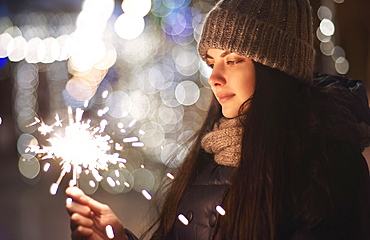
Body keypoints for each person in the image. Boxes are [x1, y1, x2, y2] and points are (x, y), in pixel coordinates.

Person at [65, 0, 370, 239]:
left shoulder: (328, 167)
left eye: (233, 60)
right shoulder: (209, 156)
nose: (214, 77)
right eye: (212, 61)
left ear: (277, 70)